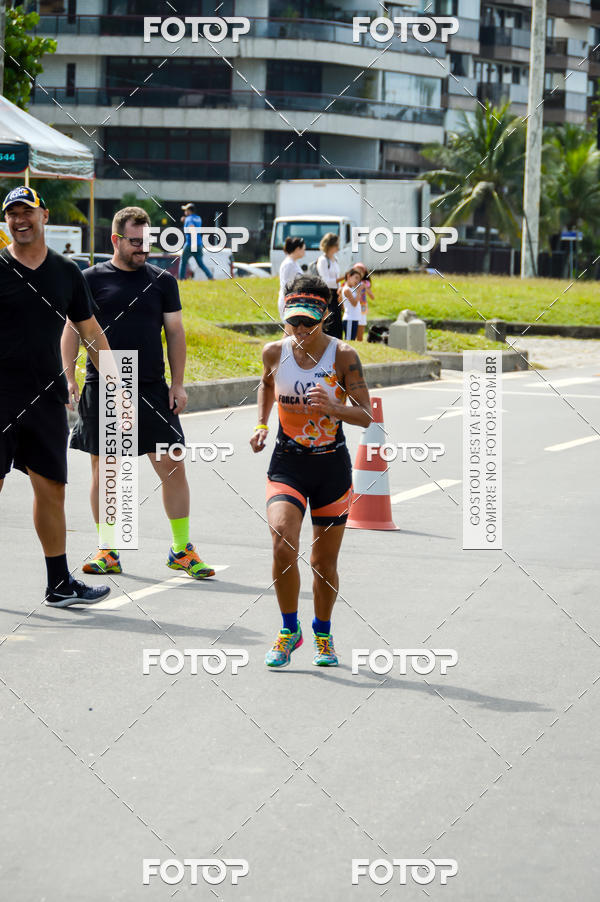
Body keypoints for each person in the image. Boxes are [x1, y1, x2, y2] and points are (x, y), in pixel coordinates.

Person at [62, 205, 215, 580]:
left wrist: (178, 383)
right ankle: (109, 549)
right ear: (115, 239)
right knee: (108, 471)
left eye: (147, 242)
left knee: (172, 466)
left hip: (150, 386)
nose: (143, 248)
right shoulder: (89, 279)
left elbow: (175, 333)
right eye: (135, 242)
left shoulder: (163, 280)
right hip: (107, 384)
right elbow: (71, 330)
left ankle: (181, 549)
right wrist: (68, 376)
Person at [250, 274, 371, 668]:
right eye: (293, 322)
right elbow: (266, 385)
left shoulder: (343, 357)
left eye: (308, 323)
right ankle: (289, 630)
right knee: (282, 541)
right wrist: (262, 424)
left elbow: (366, 416)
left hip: (331, 466)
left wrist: (332, 407)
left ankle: (322, 633)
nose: (299, 330)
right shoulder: (274, 352)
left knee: (323, 563)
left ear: (323, 320)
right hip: (288, 462)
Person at [0, 185, 112, 607]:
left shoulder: (67, 272)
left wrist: (120, 385)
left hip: (45, 396)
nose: (19, 219)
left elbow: (90, 331)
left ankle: (59, 584)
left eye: (26, 211)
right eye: (11, 213)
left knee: (52, 489)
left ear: (44, 216)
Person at [316, 232, 343, 339]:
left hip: (336, 293)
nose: (338, 247)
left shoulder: (335, 259)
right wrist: (342, 278)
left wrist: (340, 289)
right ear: (330, 245)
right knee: (330, 320)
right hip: (328, 294)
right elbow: (325, 280)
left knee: (337, 320)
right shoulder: (323, 260)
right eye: (336, 245)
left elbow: (337, 277)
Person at [178, 202, 214, 281]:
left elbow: (192, 227)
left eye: (185, 210)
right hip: (199, 244)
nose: (184, 212)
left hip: (190, 243)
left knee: (183, 262)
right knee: (200, 263)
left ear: (189, 211)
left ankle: (181, 280)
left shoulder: (189, 219)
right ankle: (210, 277)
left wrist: (186, 221)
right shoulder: (198, 218)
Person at [277, 236, 305, 319]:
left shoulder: (294, 263)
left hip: (294, 300)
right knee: (289, 329)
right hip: (288, 302)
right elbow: (285, 284)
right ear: (297, 249)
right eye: (303, 249)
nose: (304, 252)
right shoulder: (288, 264)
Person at [340, 267, 363, 341]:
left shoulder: (353, 289)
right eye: (356, 277)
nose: (357, 281)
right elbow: (354, 303)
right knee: (349, 341)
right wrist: (359, 292)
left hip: (354, 319)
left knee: (352, 340)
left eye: (359, 279)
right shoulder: (347, 289)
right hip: (349, 319)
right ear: (349, 276)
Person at [354, 262, 374, 343]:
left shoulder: (366, 283)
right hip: (354, 305)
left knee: (362, 323)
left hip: (363, 305)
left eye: (361, 271)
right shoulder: (352, 282)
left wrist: (365, 288)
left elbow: (372, 296)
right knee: (354, 323)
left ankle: (360, 340)